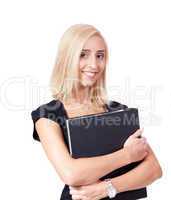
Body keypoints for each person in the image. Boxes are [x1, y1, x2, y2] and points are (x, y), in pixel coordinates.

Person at [31, 24, 162, 200]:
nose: (94, 64)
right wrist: (127, 155)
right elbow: (71, 173)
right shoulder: (48, 115)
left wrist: (107, 188)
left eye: (100, 56)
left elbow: (154, 169)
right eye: (83, 55)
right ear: (67, 58)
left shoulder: (118, 110)